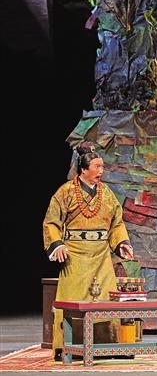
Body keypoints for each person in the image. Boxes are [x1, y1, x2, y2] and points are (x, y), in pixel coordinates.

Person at [43, 142, 134, 357]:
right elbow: (51, 222)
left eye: (102, 167)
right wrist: (57, 244)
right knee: (72, 300)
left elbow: (116, 223)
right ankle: (68, 346)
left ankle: (107, 345)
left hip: (101, 256)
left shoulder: (106, 193)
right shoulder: (65, 192)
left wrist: (122, 243)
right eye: (97, 167)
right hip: (74, 255)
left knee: (105, 299)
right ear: (83, 169)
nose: (101, 171)